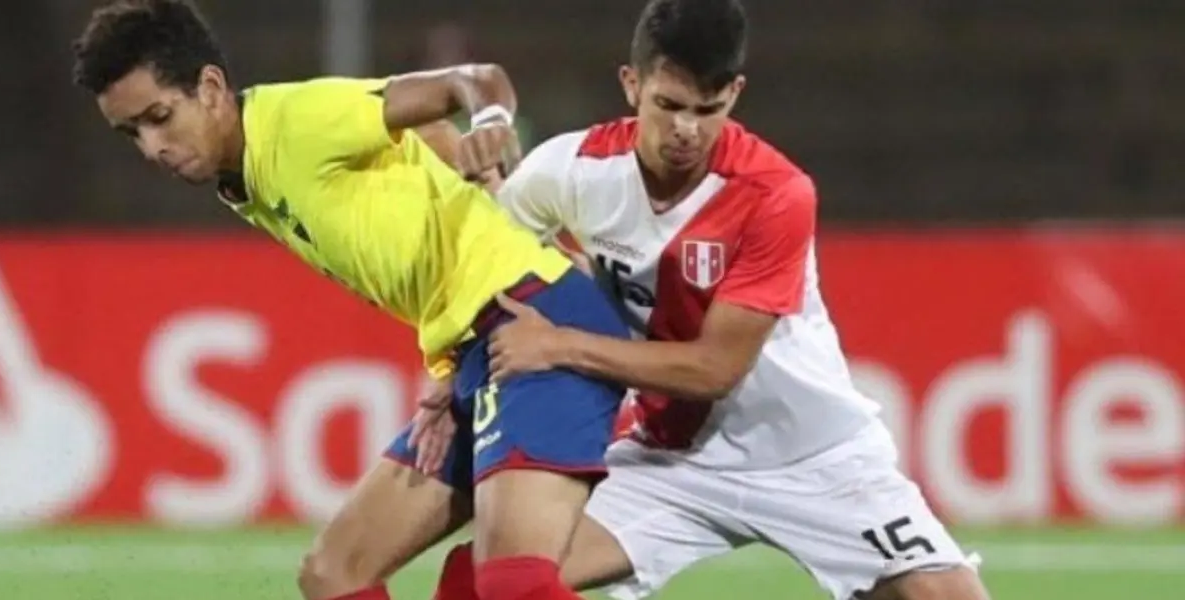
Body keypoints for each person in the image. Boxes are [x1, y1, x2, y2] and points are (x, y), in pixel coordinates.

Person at [412, 1, 993, 599]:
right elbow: (495, 275)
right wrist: (451, 372)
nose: (687, 129)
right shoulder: (569, 171)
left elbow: (715, 367)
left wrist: (559, 346)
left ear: (735, 94)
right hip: (673, 462)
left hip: (814, 456)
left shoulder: (775, 194)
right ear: (631, 85)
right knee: (482, 586)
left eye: (707, 110)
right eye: (669, 106)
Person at [70, 3, 631, 600]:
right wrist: (446, 369)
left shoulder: (296, 122)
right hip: (476, 349)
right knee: (335, 576)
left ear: (209, 88)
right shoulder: (248, 177)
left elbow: (472, 81)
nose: (151, 146)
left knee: (511, 587)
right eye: (132, 131)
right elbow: (427, 152)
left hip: (534, 317)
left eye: (160, 116)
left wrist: (491, 118)